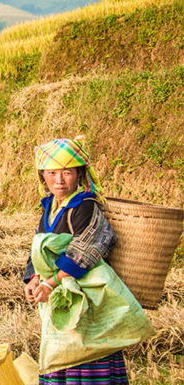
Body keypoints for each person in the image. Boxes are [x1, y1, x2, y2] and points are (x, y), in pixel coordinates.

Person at [23, 136, 154, 384]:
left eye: (67, 173)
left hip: (85, 294)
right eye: (51, 173)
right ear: (42, 176)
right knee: (62, 348)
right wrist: (33, 278)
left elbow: (88, 249)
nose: (59, 181)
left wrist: (51, 283)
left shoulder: (85, 206)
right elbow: (38, 246)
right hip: (57, 291)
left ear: (80, 174)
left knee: (88, 346)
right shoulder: (49, 205)